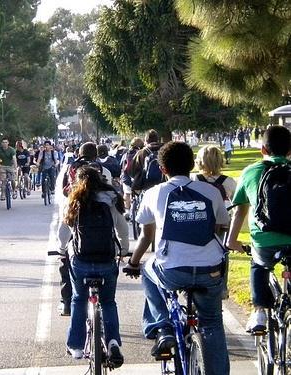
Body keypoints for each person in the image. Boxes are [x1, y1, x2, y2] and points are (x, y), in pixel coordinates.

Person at [123, 141, 230, 375]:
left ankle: (162, 327)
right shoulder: (211, 192)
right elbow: (222, 225)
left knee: (149, 271)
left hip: (172, 268)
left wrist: (133, 263)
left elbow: (146, 236)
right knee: (212, 323)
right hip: (209, 268)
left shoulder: (153, 193)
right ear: (192, 165)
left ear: (162, 169)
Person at [58, 165, 128, 367]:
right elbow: (122, 228)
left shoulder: (74, 199)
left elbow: (64, 232)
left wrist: (62, 251)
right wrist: (123, 249)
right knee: (108, 302)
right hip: (106, 260)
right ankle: (113, 341)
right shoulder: (111, 198)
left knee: (79, 299)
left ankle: (76, 346)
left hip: (81, 261)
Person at [226, 125, 291, 333]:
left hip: (264, 241)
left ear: (263, 150)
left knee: (259, 265)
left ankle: (260, 311)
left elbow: (240, 211)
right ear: (290, 151)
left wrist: (232, 240)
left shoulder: (251, 172)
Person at [120, 137, 144, 212]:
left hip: (127, 177)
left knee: (127, 193)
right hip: (139, 179)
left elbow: (121, 165)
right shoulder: (142, 153)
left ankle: (127, 210)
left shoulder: (126, 154)